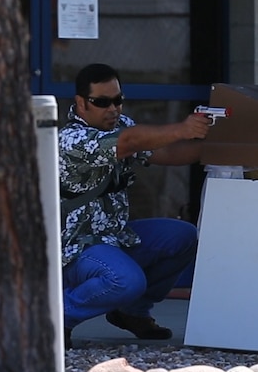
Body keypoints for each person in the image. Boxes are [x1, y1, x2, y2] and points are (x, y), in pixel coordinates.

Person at [59, 63, 210, 342]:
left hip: (117, 239)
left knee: (183, 236)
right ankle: (57, 318)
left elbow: (168, 154)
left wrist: (221, 141)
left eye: (118, 100)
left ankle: (132, 313)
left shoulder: (121, 125)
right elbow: (128, 142)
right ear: (81, 103)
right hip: (77, 250)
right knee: (125, 280)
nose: (113, 108)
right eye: (101, 102)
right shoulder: (73, 140)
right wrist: (183, 128)